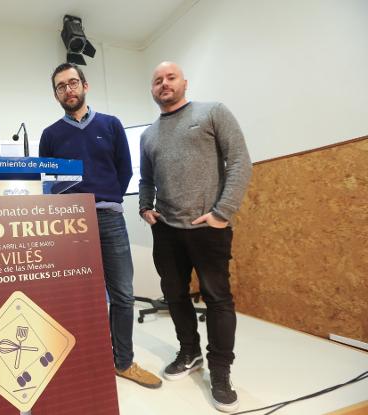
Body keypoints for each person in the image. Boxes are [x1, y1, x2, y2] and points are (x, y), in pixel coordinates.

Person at [39, 63, 162, 389]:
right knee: (72, 296)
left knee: (122, 294)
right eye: (61, 86)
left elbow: (124, 171)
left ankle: (123, 361)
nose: (68, 89)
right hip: (68, 223)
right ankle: (79, 361)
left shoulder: (111, 125)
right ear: (56, 94)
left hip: (108, 218)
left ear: (85, 85)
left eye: (73, 82)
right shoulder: (50, 135)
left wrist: (106, 198)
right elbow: (49, 184)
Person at [139, 61, 252, 412]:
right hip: (167, 230)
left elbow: (240, 162)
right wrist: (145, 207)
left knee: (217, 299)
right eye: (157, 80)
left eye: (170, 77)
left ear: (184, 82)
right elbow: (146, 179)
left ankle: (220, 370)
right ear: (153, 89)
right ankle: (189, 353)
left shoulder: (212, 112)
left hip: (208, 227)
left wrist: (223, 212)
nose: (164, 84)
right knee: (174, 295)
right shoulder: (148, 135)